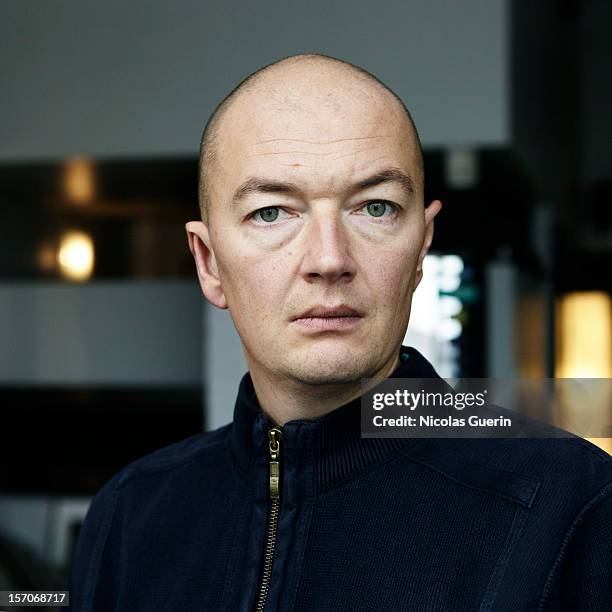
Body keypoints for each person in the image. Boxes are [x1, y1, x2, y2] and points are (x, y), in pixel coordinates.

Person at [68, 53, 612, 611]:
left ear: (421, 248)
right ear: (209, 263)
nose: (329, 259)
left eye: (374, 207)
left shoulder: (574, 507)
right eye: (273, 212)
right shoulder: (129, 515)